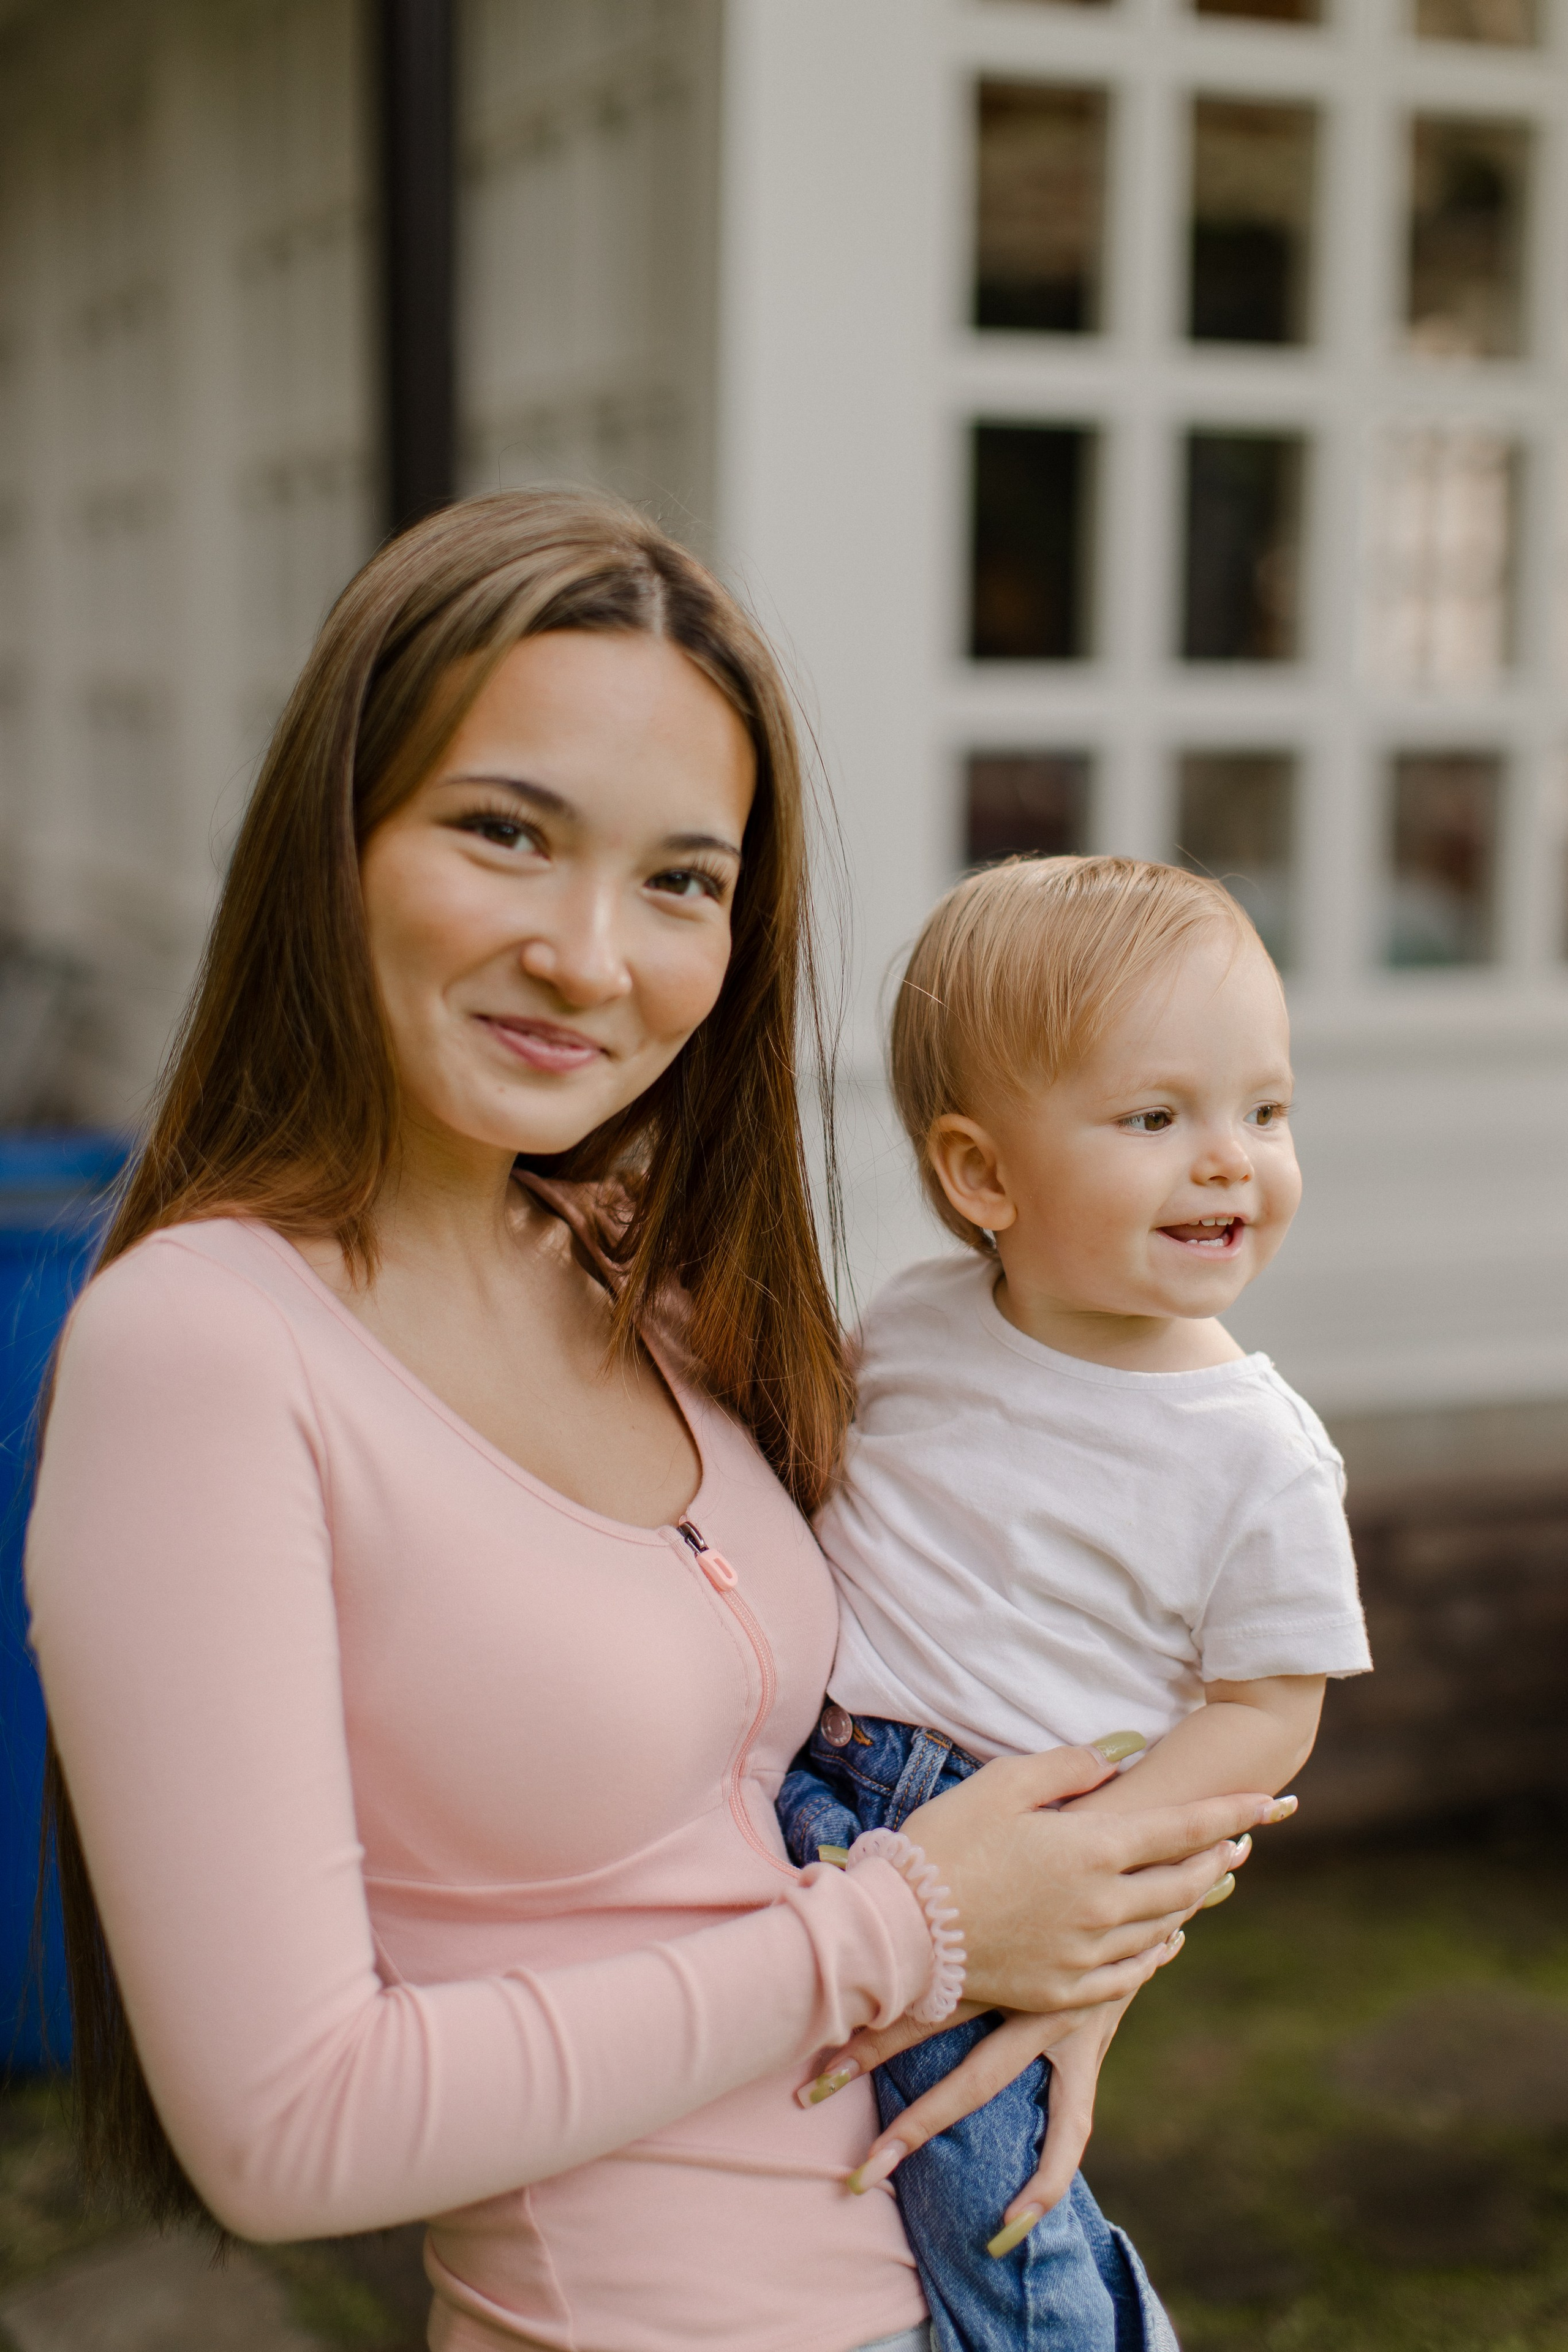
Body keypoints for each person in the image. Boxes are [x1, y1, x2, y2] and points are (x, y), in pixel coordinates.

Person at [27, 496, 1279, 2352]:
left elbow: (1012, 1721)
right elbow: (293, 2132)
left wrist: (1080, 1947)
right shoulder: (203, 1351)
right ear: (335, 837)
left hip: (1007, 2278)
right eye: (507, 833)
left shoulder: (633, 1268)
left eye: (682, 880)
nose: (594, 958)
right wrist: (915, 1929)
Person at [780, 856, 1371, 2352]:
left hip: (999, 1834)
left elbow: (1266, 1705)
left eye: (1264, 1110)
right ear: (982, 1175)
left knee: (985, 2195)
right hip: (802, 1778)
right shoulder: (915, 1319)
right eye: (1156, 1118)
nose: (1230, 1159)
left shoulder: (1253, 1450)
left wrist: (1092, 1872)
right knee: (801, 2154)